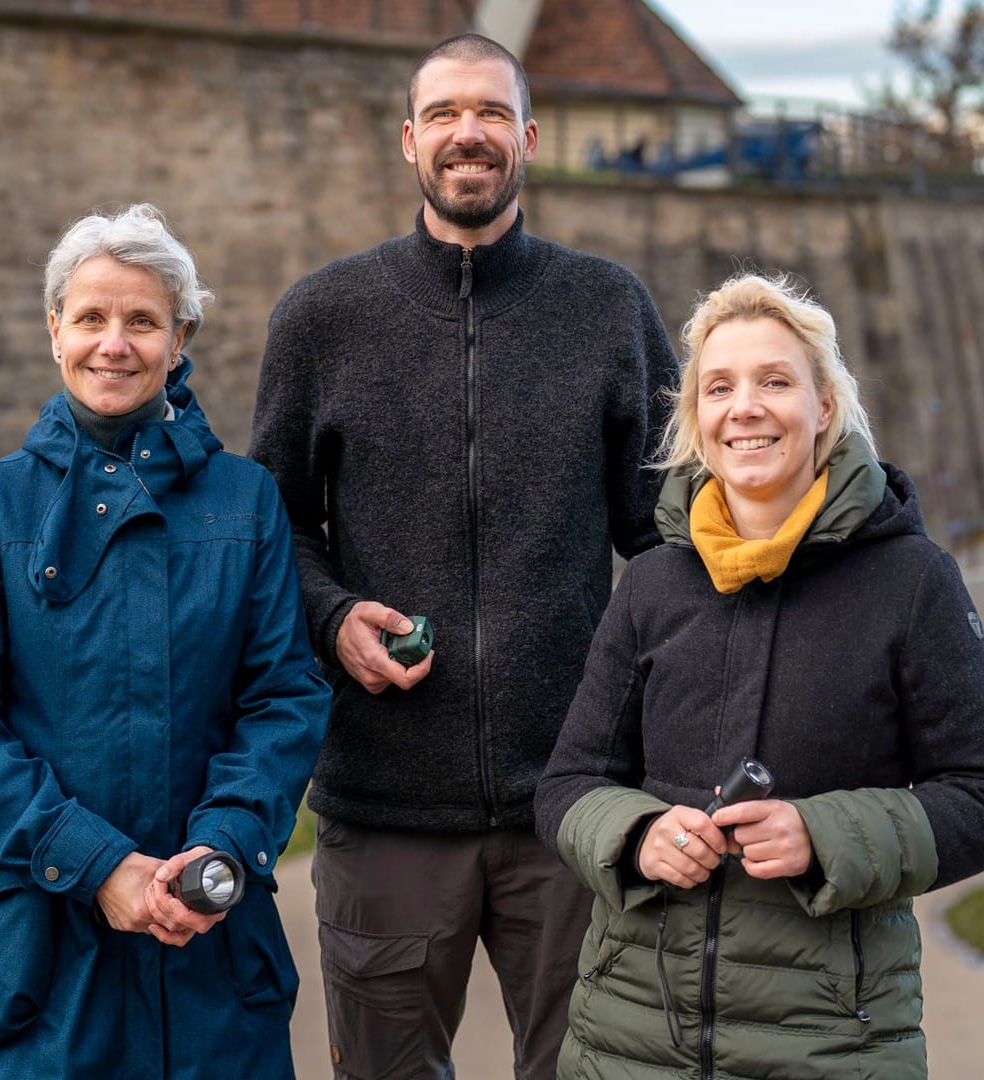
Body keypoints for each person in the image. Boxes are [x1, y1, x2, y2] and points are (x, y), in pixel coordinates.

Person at [249, 33, 676, 1080]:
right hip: (384, 804)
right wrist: (331, 615)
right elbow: (272, 530)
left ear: (527, 137)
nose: (467, 133)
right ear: (409, 141)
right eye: (443, 114)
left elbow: (668, 533)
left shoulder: (609, 308)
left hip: (575, 806)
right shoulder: (323, 317)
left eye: (490, 112)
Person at [535, 273, 984, 1079]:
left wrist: (823, 835)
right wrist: (637, 834)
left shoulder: (912, 583)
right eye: (720, 387)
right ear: (698, 419)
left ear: (824, 407)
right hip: (631, 1038)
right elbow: (568, 784)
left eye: (775, 381)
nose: (747, 407)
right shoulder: (655, 584)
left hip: (833, 1044)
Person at [0, 204, 330, 1080]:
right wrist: (97, 865)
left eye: (142, 321)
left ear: (180, 338)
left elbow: (282, 698)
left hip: (204, 943)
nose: (113, 344)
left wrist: (225, 844)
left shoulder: (246, 504)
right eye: (90, 318)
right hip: (31, 952)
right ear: (55, 332)